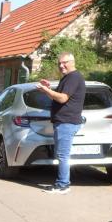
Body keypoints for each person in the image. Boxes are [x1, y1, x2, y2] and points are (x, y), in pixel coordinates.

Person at [36, 52, 86, 195]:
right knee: (61, 154)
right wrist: (48, 90)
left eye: (64, 63)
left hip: (66, 122)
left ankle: (63, 185)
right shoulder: (68, 78)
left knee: (63, 155)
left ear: (72, 62)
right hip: (64, 122)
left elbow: (63, 98)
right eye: (59, 63)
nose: (61, 66)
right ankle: (62, 183)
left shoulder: (73, 77)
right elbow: (57, 97)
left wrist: (46, 90)